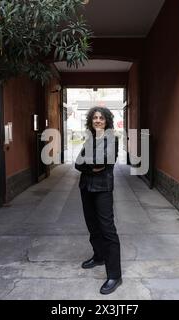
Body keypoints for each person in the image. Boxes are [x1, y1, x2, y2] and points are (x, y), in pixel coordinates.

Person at [75, 106, 122, 295]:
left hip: (102, 189)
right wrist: (90, 167)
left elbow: (104, 162)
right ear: (90, 121)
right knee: (92, 226)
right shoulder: (89, 139)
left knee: (107, 229)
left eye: (101, 118)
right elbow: (78, 163)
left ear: (107, 120)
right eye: (94, 117)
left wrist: (91, 164)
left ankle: (115, 275)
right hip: (86, 187)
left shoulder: (113, 139)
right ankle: (99, 256)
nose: (97, 120)